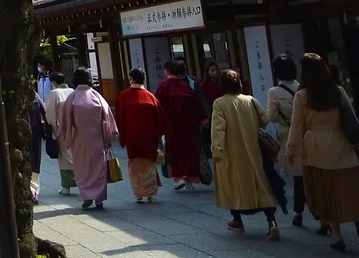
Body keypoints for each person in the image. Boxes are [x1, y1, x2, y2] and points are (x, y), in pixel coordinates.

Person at [287, 53, 359, 251]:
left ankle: (337, 237)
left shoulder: (302, 96)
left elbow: (296, 128)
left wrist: (291, 150)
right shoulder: (337, 91)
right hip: (341, 145)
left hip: (315, 148)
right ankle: (357, 220)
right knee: (348, 187)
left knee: (325, 193)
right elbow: (352, 120)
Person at [212, 69, 281, 240]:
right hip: (253, 150)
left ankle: (237, 220)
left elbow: (218, 129)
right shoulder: (250, 100)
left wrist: (217, 150)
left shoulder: (220, 103)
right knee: (260, 184)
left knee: (232, 184)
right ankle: (271, 221)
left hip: (231, 152)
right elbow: (264, 120)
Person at [62, 67, 117, 210]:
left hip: (78, 141)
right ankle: (99, 198)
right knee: (99, 170)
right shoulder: (98, 97)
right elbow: (107, 117)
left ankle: (86, 196)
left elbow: (65, 121)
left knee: (82, 169)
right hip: (98, 140)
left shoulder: (72, 98)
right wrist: (109, 136)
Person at [267, 54, 309, 228]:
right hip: (309, 135)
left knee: (299, 177)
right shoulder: (303, 88)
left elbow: (272, 117)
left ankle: (298, 211)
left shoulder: (274, 92)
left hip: (289, 135)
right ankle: (315, 212)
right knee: (310, 175)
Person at [156, 59, 207, 191]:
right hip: (190, 125)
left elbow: (158, 106)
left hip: (172, 125)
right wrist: (202, 119)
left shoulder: (163, 86)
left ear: (167, 71)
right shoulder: (186, 86)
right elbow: (196, 104)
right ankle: (189, 179)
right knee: (189, 152)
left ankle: (180, 177)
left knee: (175, 152)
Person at [115, 68, 162, 203]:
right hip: (149, 137)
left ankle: (138, 193)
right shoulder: (150, 96)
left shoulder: (124, 96)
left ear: (132, 79)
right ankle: (150, 193)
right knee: (149, 164)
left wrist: (121, 135)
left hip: (132, 137)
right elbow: (160, 118)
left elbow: (119, 118)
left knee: (135, 165)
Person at [43, 71, 76, 195]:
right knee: (75, 155)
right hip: (74, 128)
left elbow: (49, 113)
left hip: (61, 128)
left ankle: (67, 185)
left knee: (65, 158)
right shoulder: (72, 91)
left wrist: (51, 129)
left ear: (53, 82)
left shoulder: (54, 93)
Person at [28, 89, 45, 203]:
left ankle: (32, 191)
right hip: (34, 132)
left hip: (19, 133)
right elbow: (44, 110)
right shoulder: (33, 95)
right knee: (34, 162)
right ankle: (34, 191)